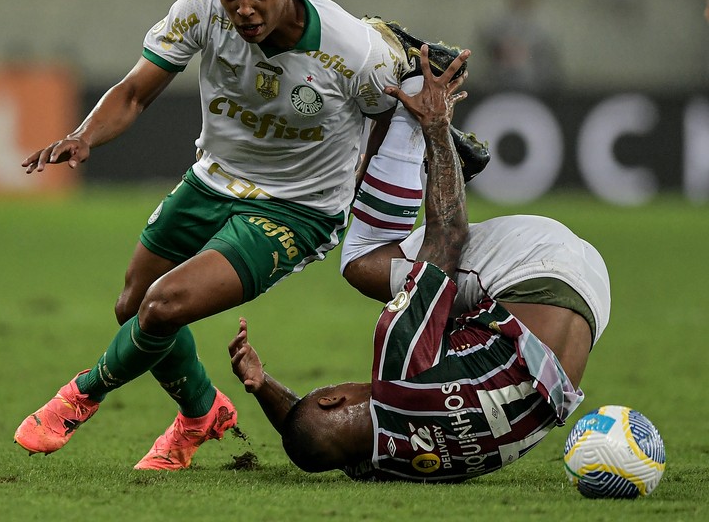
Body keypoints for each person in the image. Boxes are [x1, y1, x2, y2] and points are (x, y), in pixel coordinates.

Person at [13, 0, 428, 470]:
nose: (244, 8)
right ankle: (202, 413)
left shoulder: (352, 50)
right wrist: (85, 136)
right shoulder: (200, 9)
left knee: (163, 306)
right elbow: (135, 92)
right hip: (212, 179)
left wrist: (361, 186)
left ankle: (80, 396)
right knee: (132, 304)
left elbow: (391, 117)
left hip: (297, 209)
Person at [228, 45, 611, 482]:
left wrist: (263, 386)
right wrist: (436, 124)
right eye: (328, 393)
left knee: (445, 324)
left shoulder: (400, 464)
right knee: (363, 263)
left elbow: (322, 445)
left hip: (593, 302)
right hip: (537, 264)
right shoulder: (399, 363)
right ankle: (415, 107)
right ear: (332, 400)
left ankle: (421, 157)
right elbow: (450, 234)